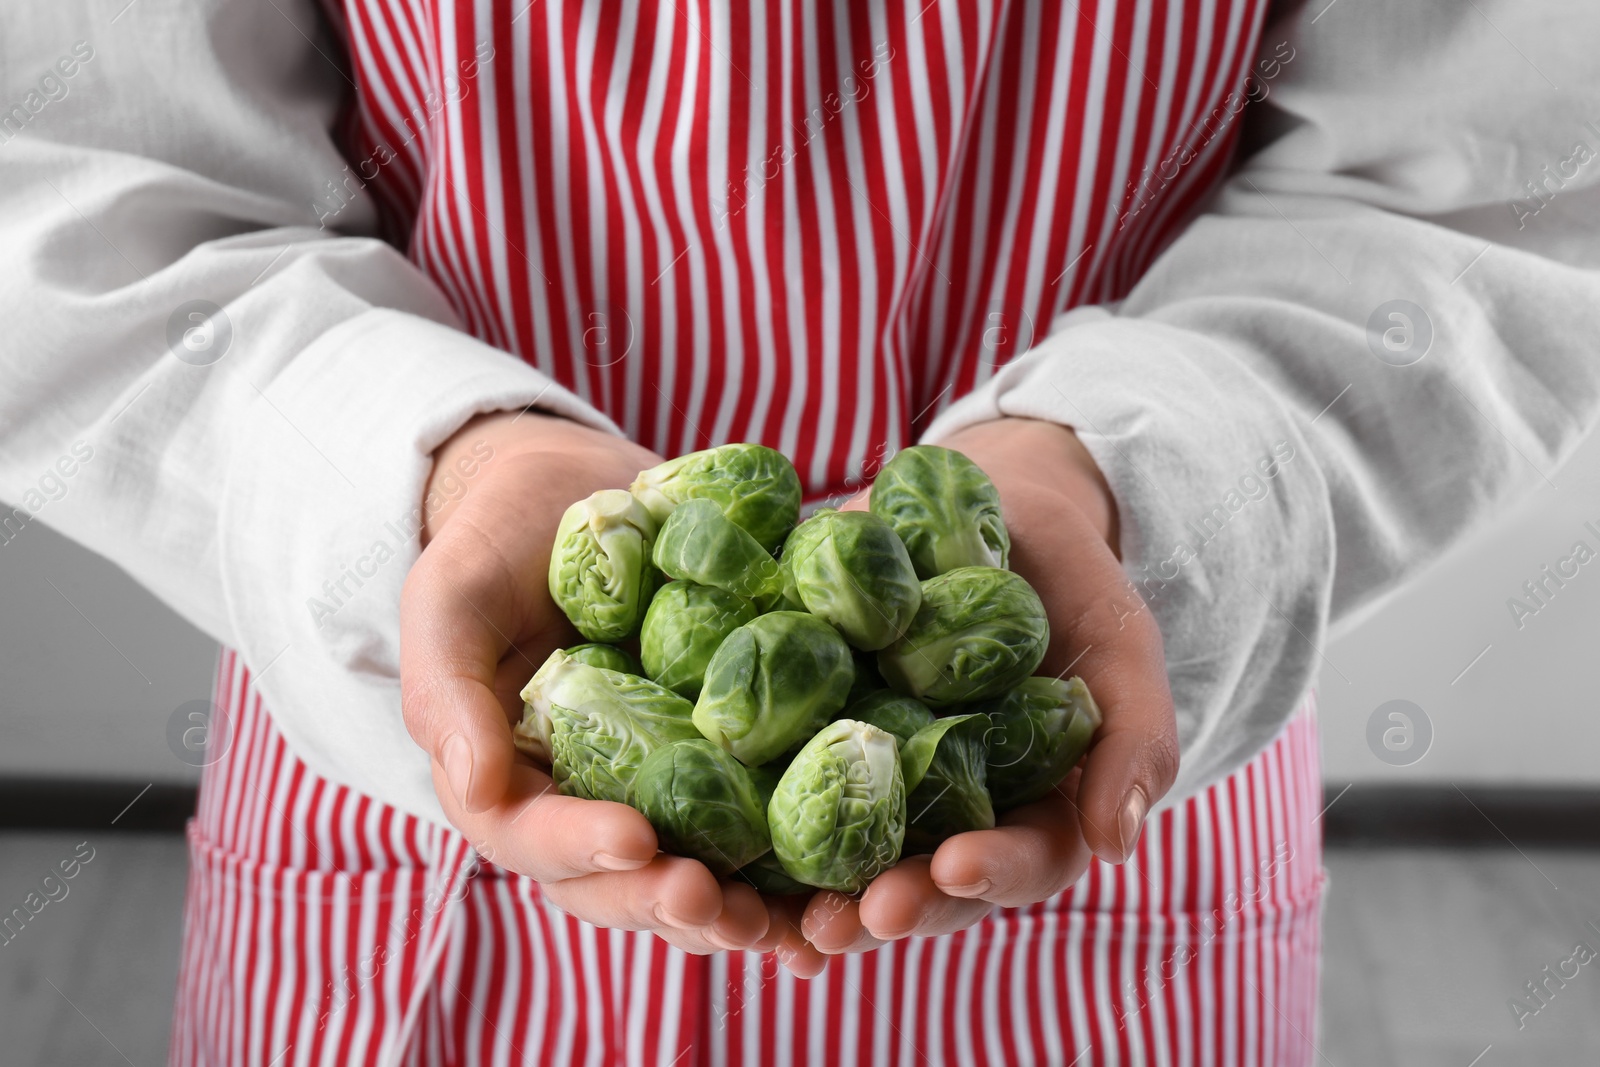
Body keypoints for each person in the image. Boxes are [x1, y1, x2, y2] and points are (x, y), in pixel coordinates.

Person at [3, 0, 1596, 1063]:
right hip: (407, 794)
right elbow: (81, 169)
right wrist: (435, 477)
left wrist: (1125, 481)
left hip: (1102, 782)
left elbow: (1489, 182)